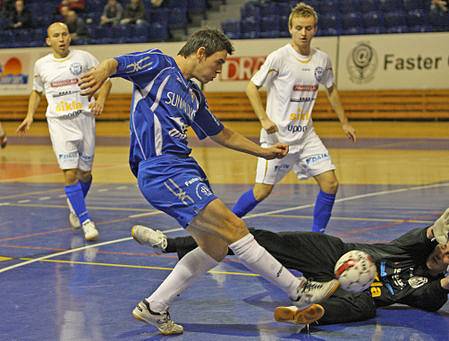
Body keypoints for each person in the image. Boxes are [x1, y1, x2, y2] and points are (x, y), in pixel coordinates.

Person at [78, 28, 339, 335]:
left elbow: (221, 133)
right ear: (200, 52)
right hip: (162, 170)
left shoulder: (193, 94)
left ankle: (154, 306)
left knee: (215, 247)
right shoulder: (159, 64)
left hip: (184, 168)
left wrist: (263, 152)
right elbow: (117, 63)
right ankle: (299, 290)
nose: (218, 71)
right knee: (235, 228)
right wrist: (101, 71)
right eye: (217, 63)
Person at [132, 207, 449, 325]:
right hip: (333, 254)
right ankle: (169, 244)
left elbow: (432, 299)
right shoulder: (416, 248)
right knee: (256, 240)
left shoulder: (427, 287)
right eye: (445, 247)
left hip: (349, 292)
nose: (444, 253)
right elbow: (434, 231)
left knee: (365, 307)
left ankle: (307, 315)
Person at [231, 3, 356, 234]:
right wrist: (264, 119)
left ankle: (317, 238)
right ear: (290, 28)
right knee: (262, 191)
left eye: (308, 28)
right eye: (299, 27)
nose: (303, 33)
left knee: (330, 184)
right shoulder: (278, 58)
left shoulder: (322, 60)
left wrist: (345, 122)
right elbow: (251, 87)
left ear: (315, 29)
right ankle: (225, 223)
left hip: (307, 136)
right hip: (277, 139)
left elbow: (331, 90)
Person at [16, 22, 112, 241]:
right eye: (56, 36)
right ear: (48, 41)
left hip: (85, 120)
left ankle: (74, 205)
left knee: (85, 174)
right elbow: (36, 92)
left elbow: (105, 81)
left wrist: (101, 100)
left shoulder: (85, 58)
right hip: (59, 124)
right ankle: (86, 220)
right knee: (70, 173)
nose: (61, 39)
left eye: (64, 34)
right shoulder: (42, 65)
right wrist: (30, 115)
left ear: (70, 37)